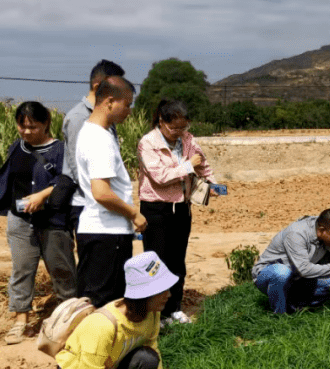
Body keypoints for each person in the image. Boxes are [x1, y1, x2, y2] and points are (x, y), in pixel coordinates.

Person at [54, 250, 189, 369]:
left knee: (148, 357)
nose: (169, 295)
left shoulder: (151, 313)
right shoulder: (102, 325)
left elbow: (151, 345)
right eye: (162, 290)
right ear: (144, 295)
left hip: (108, 368)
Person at [0, 101, 78, 344]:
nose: (26, 131)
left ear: (46, 123)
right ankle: (20, 322)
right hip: (20, 220)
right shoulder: (16, 148)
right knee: (22, 270)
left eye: (33, 126)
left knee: (62, 269)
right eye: (22, 126)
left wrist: (42, 196)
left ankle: (70, 320)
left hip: (52, 220)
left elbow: (69, 180)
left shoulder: (61, 150)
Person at [137, 98, 219, 326]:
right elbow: (160, 177)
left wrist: (212, 184)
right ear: (161, 122)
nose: (179, 132)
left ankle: (174, 308)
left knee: (177, 261)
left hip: (182, 208)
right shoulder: (148, 143)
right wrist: (188, 165)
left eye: (183, 127)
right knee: (157, 262)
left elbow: (203, 165)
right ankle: (155, 314)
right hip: (156, 208)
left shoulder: (188, 140)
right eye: (174, 128)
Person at [74, 75, 146, 306]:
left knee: (92, 300)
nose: (129, 111)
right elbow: (101, 192)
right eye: (127, 105)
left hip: (99, 231)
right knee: (105, 303)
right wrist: (133, 214)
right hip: (107, 233)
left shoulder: (92, 132)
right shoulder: (99, 139)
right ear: (110, 102)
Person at [251, 208, 330, 314]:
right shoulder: (296, 234)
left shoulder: (327, 231)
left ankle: (293, 307)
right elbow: (304, 269)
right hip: (268, 275)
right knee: (281, 272)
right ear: (322, 230)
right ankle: (279, 315)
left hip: (296, 278)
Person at [61, 60, 125, 232]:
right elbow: (78, 167)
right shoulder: (79, 118)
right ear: (98, 87)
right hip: (87, 203)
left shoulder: (105, 117)